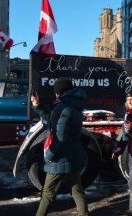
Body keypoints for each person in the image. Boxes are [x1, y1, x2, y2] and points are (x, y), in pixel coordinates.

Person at [31, 77, 88, 216]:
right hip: (73, 157)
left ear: (59, 92)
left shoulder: (63, 107)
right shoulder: (73, 105)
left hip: (60, 159)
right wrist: (38, 105)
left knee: (48, 194)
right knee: (77, 190)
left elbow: (59, 137)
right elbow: (53, 120)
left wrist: (49, 156)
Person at [112, 89, 132, 216]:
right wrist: (118, 151)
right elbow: (125, 137)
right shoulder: (128, 115)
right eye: (127, 99)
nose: (129, 101)